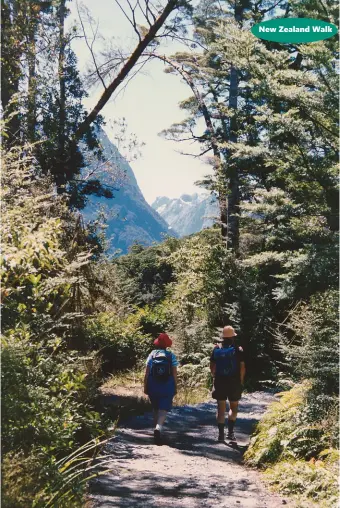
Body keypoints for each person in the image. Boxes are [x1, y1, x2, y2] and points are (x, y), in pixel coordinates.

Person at [210, 325, 246, 443]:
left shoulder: (217, 348)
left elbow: (212, 366)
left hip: (220, 381)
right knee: (233, 406)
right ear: (233, 337)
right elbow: (242, 368)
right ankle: (230, 433)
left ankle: (220, 435)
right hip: (234, 381)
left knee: (221, 408)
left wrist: (214, 377)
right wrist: (241, 381)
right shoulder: (238, 349)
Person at [144, 333, 178, 445]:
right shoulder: (171, 356)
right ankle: (158, 428)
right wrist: (175, 386)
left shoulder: (152, 355)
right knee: (163, 410)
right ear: (167, 345)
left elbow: (147, 373)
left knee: (155, 408)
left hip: (153, 384)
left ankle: (155, 433)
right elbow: (174, 374)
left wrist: (146, 386)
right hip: (167, 385)